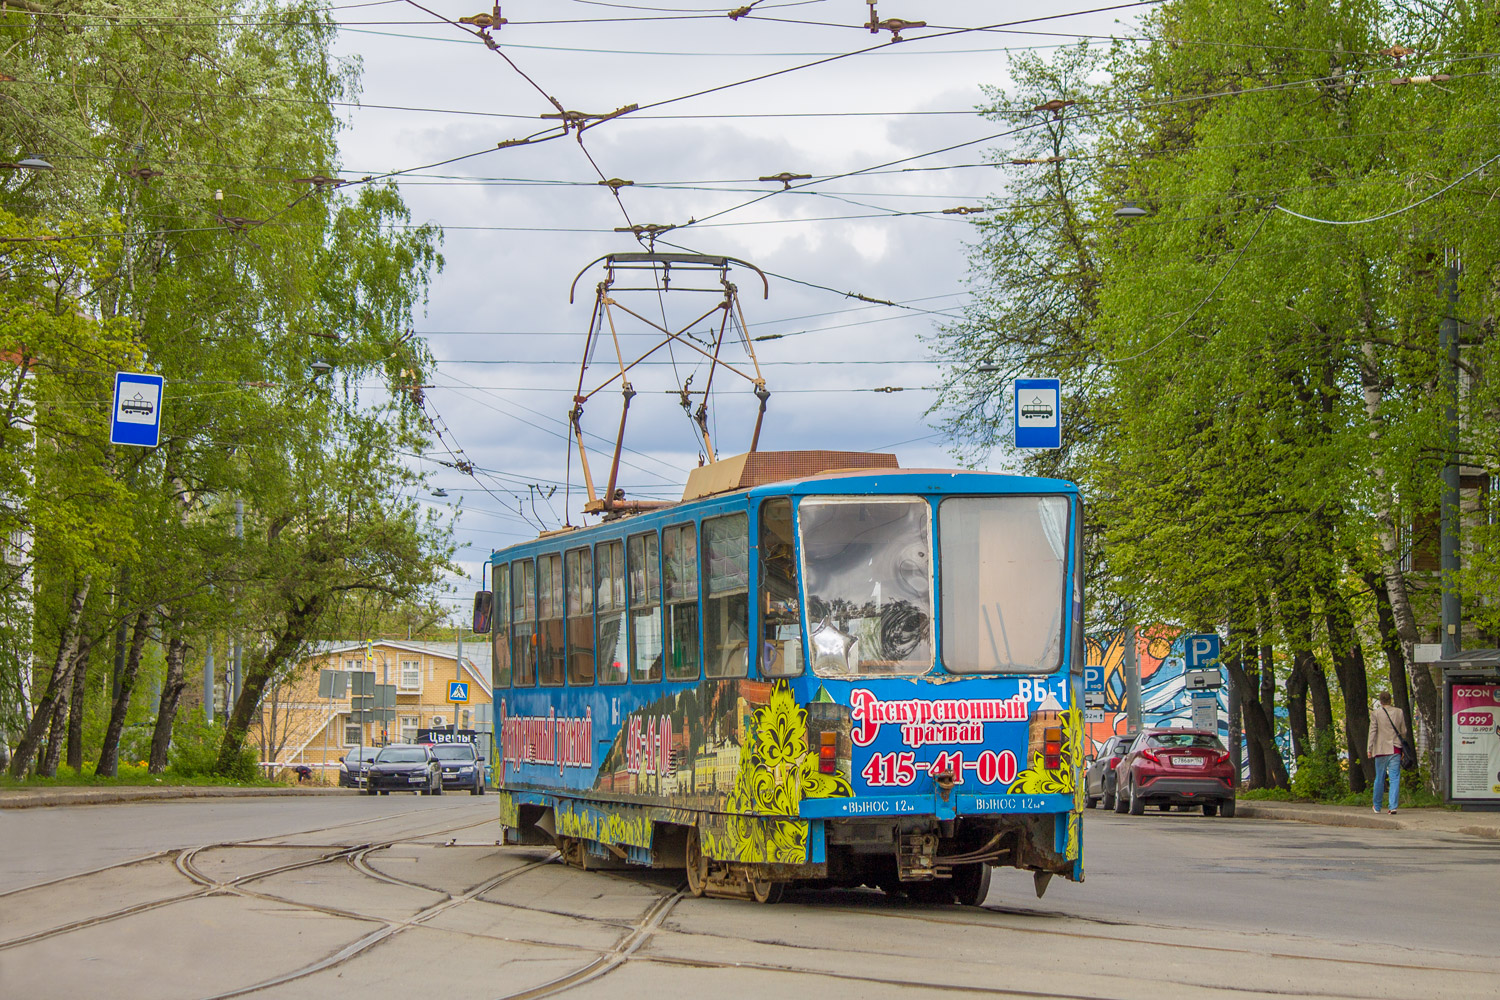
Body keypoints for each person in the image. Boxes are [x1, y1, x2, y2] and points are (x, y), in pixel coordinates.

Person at [1367, 691, 1407, 814]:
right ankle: (1393, 806)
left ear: (1380, 701)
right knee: (1394, 778)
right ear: (1390, 700)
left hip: (1380, 750)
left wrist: (1369, 748)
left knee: (1379, 778)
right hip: (1395, 748)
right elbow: (1403, 730)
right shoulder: (1399, 712)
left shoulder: (1376, 714)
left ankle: (1377, 806)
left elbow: (1373, 731)